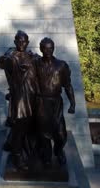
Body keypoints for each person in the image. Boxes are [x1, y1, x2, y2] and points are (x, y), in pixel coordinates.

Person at [0, 30, 39, 170]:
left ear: (27, 42)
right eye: (19, 41)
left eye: (24, 41)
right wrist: (6, 59)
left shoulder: (32, 55)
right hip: (20, 99)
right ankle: (17, 156)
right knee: (19, 128)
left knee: (30, 127)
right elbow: (2, 62)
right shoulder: (11, 56)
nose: (22, 44)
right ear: (15, 42)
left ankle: (24, 150)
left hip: (33, 97)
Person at [35, 37, 75, 165]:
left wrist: (73, 103)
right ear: (41, 49)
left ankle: (58, 151)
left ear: (54, 48)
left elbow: (68, 85)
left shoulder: (61, 65)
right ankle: (47, 156)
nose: (48, 51)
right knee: (43, 133)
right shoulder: (36, 64)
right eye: (45, 48)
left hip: (56, 102)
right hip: (41, 102)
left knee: (61, 134)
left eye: (51, 48)